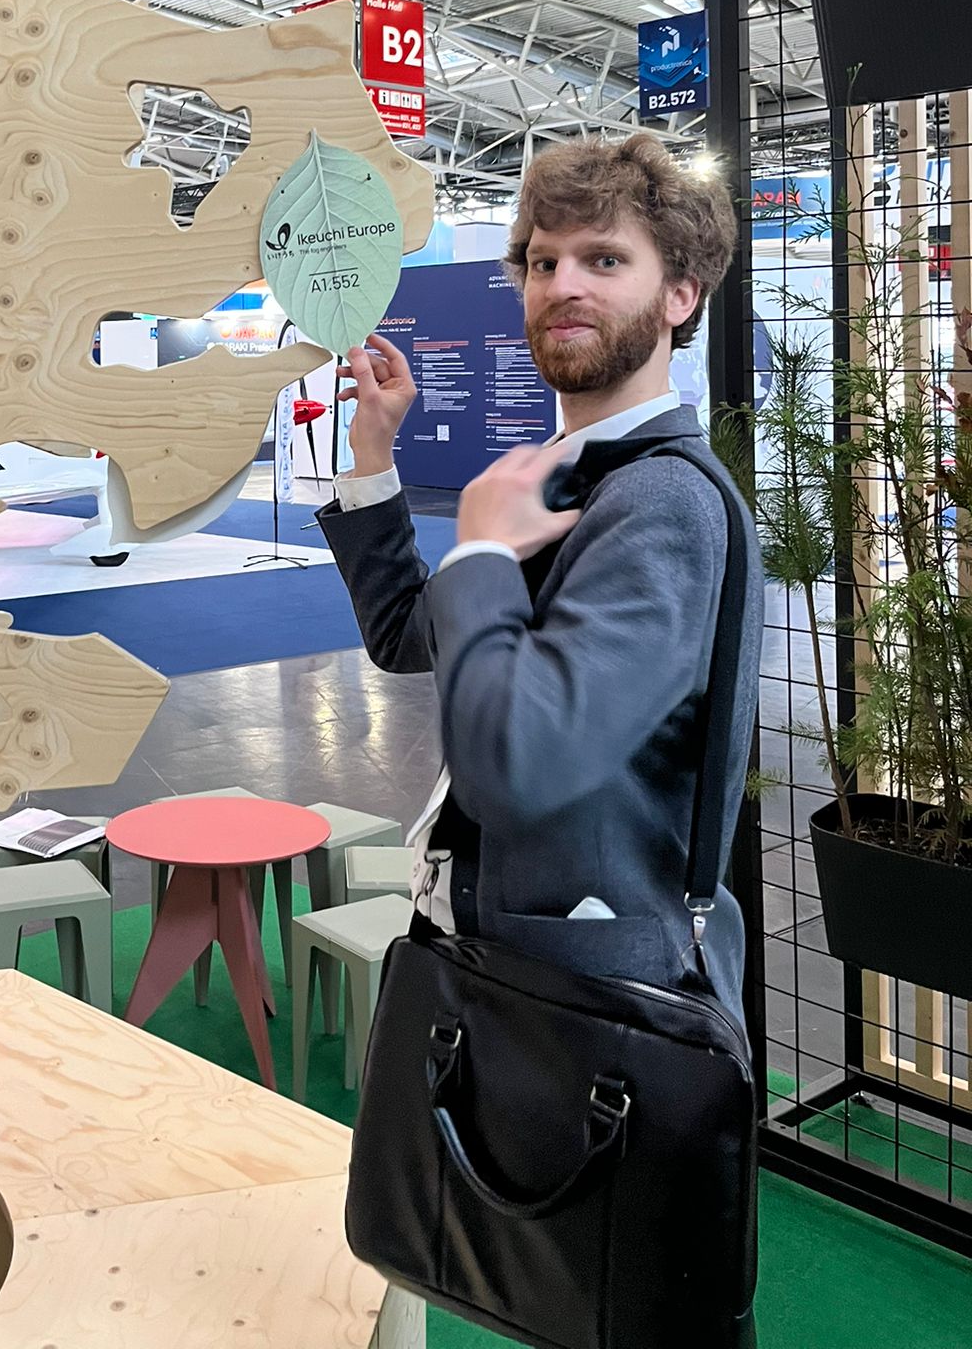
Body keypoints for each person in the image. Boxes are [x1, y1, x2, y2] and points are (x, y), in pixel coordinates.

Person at [319, 133, 764, 1341]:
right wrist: (376, 459)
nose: (561, 281)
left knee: (604, 1295)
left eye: (604, 258)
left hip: (596, 990)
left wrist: (477, 546)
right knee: (544, 1291)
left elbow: (523, 759)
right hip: (516, 966)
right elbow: (413, 637)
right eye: (542, 258)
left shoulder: (660, 501)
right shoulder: (573, 477)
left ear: (680, 295)